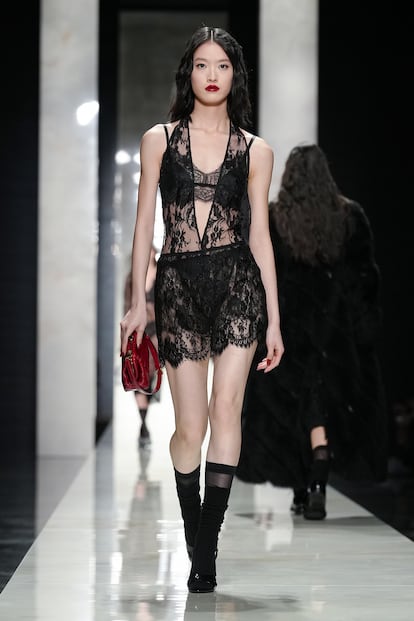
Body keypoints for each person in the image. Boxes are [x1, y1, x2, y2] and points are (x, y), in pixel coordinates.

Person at [120, 25, 284, 593]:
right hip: (178, 290)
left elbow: (260, 237)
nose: (212, 75)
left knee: (225, 411)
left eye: (222, 66)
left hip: (239, 286)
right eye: (201, 65)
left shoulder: (256, 150)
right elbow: (144, 224)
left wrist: (275, 319)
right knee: (188, 429)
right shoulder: (159, 140)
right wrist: (137, 303)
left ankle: (206, 549)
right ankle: (195, 527)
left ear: (236, 75)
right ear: (187, 73)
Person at [237, 143, 388, 520]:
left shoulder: (275, 218)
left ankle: (304, 488)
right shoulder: (350, 216)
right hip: (336, 333)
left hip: (289, 330)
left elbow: (260, 277)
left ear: (289, 176)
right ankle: (318, 475)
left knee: (294, 408)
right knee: (323, 405)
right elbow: (364, 279)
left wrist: (261, 328)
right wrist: (364, 330)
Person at [123, 244, 158, 449]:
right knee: (138, 376)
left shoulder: (161, 275)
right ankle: (143, 424)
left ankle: (144, 424)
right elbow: (126, 306)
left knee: (149, 374)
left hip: (156, 332)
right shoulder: (132, 279)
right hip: (137, 332)